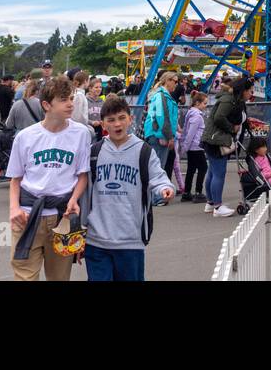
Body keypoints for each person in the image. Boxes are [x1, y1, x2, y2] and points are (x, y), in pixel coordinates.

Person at [7, 76, 90, 281]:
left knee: (60, 277)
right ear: (46, 104)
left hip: (62, 216)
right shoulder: (26, 136)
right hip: (28, 215)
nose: (70, 104)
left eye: (71, 98)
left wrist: (74, 198)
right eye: (63, 99)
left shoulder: (81, 133)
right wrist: (14, 209)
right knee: (24, 276)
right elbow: (15, 179)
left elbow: (82, 175)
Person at [83, 95, 173, 282]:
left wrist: (165, 188)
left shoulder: (144, 151)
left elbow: (157, 177)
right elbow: (83, 191)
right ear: (103, 124)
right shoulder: (94, 152)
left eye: (122, 118)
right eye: (111, 120)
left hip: (130, 240)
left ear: (130, 119)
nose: (117, 124)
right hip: (96, 239)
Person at [200, 76, 254, 218]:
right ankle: (217, 206)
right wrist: (232, 128)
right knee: (218, 172)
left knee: (213, 172)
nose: (251, 94)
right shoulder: (229, 100)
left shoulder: (232, 99)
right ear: (243, 91)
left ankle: (211, 203)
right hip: (216, 141)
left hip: (214, 139)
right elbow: (219, 117)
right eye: (250, 91)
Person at [142, 71, 180, 178]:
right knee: (157, 171)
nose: (176, 84)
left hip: (158, 134)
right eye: (175, 81)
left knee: (156, 169)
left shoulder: (160, 95)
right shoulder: (161, 96)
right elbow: (161, 117)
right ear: (167, 81)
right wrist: (169, 137)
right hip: (159, 135)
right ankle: (156, 194)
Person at [177, 91, 207, 203]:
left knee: (191, 169)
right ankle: (198, 192)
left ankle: (187, 192)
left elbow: (186, 131)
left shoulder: (190, 113)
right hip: (196, 146)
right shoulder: (197, 116)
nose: (206, 105)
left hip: (192, 147)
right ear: (198, 103)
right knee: (203, 168)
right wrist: (186, 146)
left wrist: (185, 146)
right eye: (204, 103)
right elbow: (190, 133)